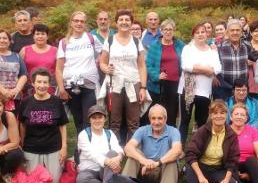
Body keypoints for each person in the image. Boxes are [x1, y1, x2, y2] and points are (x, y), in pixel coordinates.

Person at [185, 100, 248, 183]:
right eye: (215, 113)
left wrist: (227, 178)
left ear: (226, 115)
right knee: (190, 170)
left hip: (217, 168)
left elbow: (233, 159)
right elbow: (190, 153)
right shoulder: (203, 130)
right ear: (211, 115)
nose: (219, 116)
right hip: (200, 166)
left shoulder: (231, 134)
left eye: (222, 112)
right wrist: (200, 177)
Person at [123, 105, 182, 183]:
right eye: (153, 118)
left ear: (165, 119)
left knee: (172, 158)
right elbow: (128, 148)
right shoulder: (142, 130)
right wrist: (144, 161)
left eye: (160, 118)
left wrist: (157, 163)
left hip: (163, 174)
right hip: (144, 172)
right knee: (133, 155)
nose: (156, 122)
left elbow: (177, 150)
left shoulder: (173, 131)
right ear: (149, 119)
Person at [99, 9, 147, 142]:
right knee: (114, 121)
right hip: (115, 84)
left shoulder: (137, 42)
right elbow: (102, 62)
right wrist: (105, 69)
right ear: (116, 23)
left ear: (131, 23)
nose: (124, 22)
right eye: (121, 20)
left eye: (127, 20)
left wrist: (143, 87)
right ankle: (115, 149)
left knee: (134, 121)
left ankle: (132, 149)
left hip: (134, 83)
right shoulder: (109, 41)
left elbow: (142, 66)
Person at [18, 69, 69, 183]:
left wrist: (64, 147)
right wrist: (22, 144)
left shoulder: (56, 102)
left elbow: (62, 125)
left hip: (53, 148)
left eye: (45, 82)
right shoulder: (25, 102)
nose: (42, 85)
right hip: (31, 148)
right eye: (39, 82)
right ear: (33, 83)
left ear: (49, 84)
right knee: (34, 181)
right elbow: (22, 124)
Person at [55, 11, 101, 134]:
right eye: (76, 21)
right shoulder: (64, 42)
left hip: (89, 85)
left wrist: (100, 62)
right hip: (70, 86)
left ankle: (88, 148)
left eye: (82, 21)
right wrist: (62, 89)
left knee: (89, 118)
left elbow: (104, 54)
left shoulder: (92, 38)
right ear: (71, 22)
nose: (79, 23)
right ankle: (80, 149)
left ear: (85, 24)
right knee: (78, 120)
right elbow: (59, 68)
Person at [178, 23, 222, 143]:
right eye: (197, 32)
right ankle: (180, 147)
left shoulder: (212, 50)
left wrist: (197, 68)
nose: (200, 34)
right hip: (187, 90)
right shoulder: (188, 48)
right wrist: (207, 70)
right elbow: (186, 66)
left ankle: (198, 146)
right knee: (185, 120)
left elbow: (217, 68)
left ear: (207, 34)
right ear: (193, 35)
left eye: (203, 32)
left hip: (204, 91)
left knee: (201, 120)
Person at [76, 105, 124, 183]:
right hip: (89, 171)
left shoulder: (109, 133)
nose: (97, 120)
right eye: (94, 118)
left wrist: (118, 158)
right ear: (89, 120)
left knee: (113, 153)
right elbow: (92, 154)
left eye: (100, 117)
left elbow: (118, 149)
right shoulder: (83, 135)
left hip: (106, 170)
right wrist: (110, 162)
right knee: (81, 182)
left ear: (105, 119)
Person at [145, 18, 185, 127]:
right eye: (165, 30)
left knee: (172, 112)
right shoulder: (155, 45)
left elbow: (189, 55)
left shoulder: (180, 45)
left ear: (174, 31)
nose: (168, 32)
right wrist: (156, 76)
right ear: (161, 31)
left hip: (175, 84)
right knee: (158, 112)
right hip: (159, 85)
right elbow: (149, 65)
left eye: (170, 29)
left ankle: (170, 137)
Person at [215, 19, 258, 100]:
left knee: (240, 112)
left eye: (237, 30)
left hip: (241, 89)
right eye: (232, 30)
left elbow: (256, 59)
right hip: (223, 88)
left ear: (241, 32)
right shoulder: (219, 47)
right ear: (227, 32)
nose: (235, 33)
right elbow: (213, 65)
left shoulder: (247, 46)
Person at [19, 23, 57, 94]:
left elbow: (59, 70)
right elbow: (19, 70)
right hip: (29, 88)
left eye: (43, 34)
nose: (40, 36)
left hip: (50, 88)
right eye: (37, 34)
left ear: (47, 36)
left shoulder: (55, 50)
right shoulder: (25, 50)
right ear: (33, 36)